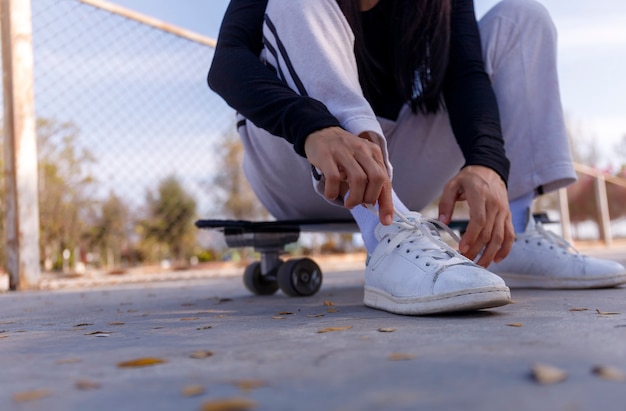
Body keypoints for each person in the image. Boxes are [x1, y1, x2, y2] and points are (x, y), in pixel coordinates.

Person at [208, 0, 626, 315]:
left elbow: (466, 73)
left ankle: (506, 235)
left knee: (523, 17)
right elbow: (226, 63)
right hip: (293, 160)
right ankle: (384, 240)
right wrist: (313, 126)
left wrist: (487, 163)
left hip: (395, 174)